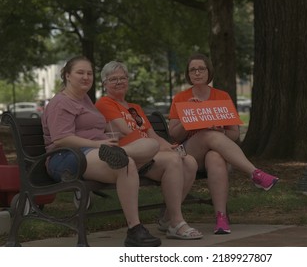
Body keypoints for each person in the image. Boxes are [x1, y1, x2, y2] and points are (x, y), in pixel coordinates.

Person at [41, 56, 162, 247]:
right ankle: (135, 229)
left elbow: (97, 128)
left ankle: (120, 154)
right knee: (127, 163)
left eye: (89, 73)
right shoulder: (61, 102)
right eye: (80, 72)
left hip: (97, 150)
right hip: (67, 156)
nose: (86, 77)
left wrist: (108, 136)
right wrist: (100, 145)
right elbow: (61, 139)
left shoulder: (86, 100)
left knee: (150, 145)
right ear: (67, 76)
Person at [168, 53, 279, 235]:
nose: (197, 73)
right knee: (207, 134)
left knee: (216, 157)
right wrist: (191, 115)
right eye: (192, 70)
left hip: (211, 153)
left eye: (201, 69)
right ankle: (254, 173)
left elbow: (234, 134)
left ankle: (221, 218)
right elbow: (174, 134)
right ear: (188, 74)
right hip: (188, 153)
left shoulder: (221, 96)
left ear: (208, 71)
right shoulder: (181, 98)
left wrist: (221, 132)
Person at [95, 61, 203, 240]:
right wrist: (163, 150)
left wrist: (168, 146)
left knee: (189, 161)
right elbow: (127, 132)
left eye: (123, 78)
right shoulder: (105, 103)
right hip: (129, 157)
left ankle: (168, 217)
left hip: (151, 155)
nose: (119, 81)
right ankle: (177, 222)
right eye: (113, 79)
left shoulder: (135, 108)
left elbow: (152, 134)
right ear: (104, 83)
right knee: (173, 161)